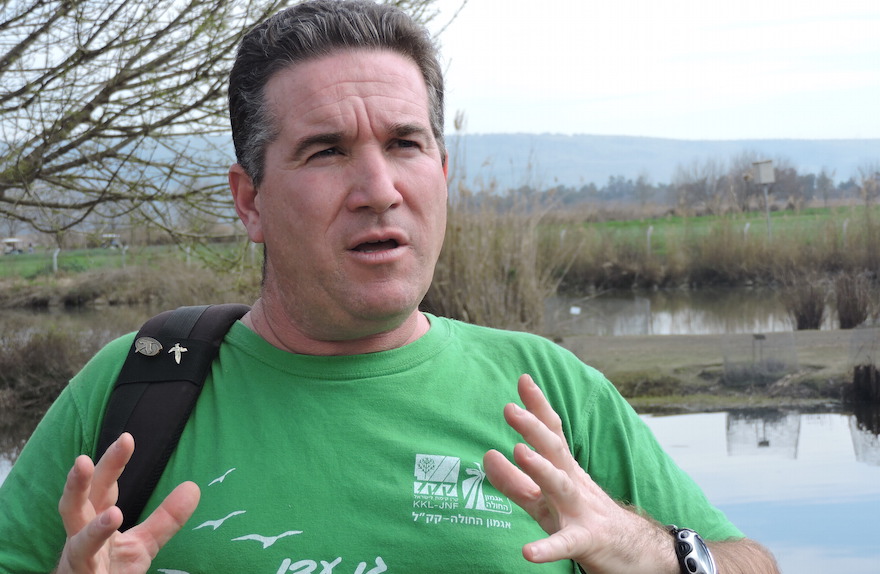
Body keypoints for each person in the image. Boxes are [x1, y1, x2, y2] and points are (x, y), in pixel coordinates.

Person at [0, 1, 779, 572]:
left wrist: (636, 548)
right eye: (326, 151)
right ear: (249, 200)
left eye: (405, 144)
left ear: (442, 174)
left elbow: (753, 564)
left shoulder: (549, 393)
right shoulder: (137, 386)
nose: (379, 188)